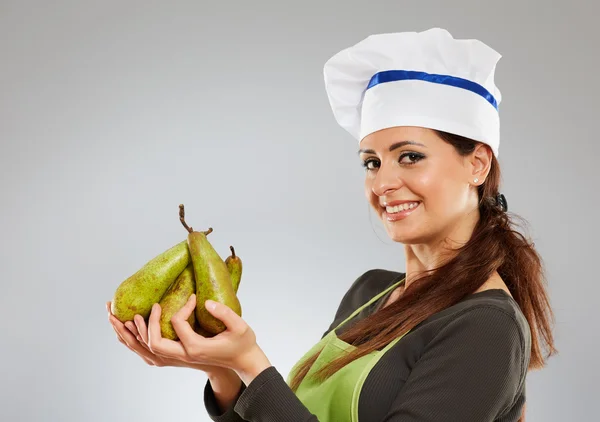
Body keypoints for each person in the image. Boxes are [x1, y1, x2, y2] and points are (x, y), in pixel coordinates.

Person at [107, 27, 557, 421]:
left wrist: (250, 362)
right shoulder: (369, 292)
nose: (383, 182)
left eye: (410, 157)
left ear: (477, 164)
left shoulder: (487, 327)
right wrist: (220, 368)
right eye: (371, 162)